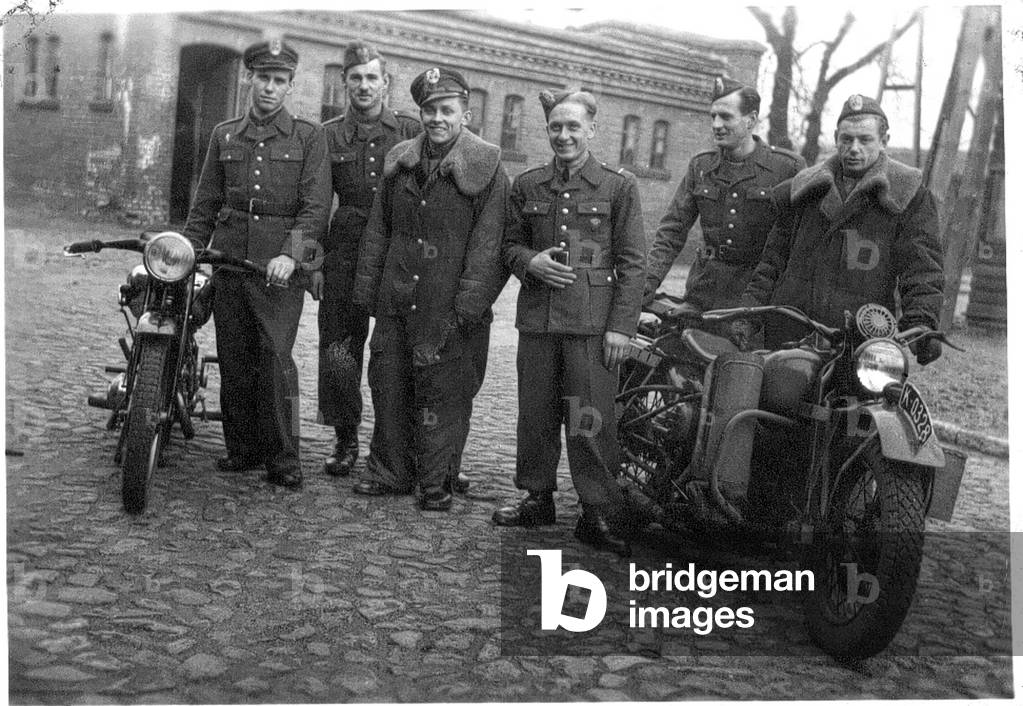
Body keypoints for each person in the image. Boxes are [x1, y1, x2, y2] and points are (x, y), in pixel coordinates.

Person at [492, 90, 646, 557]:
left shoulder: (618, 187)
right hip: (538, 320)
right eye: (556, 127)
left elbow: (634, 262)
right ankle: (537, 498)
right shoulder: (529, 184)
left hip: (591, 323)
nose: (564, 136)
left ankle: (596, 511)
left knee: (590, 417)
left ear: (592, 130)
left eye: (573, 127)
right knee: (535, 415)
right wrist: (529, 262)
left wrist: (621, 327)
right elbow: (508, 245)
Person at [352, 66, 507, 511]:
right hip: (398, 294)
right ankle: (390, 469)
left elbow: (488, 243)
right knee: (389, 380)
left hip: (449, 301)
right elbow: (380, 229)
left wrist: (469, 307)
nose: (437, 119)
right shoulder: (400, 160)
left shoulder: (488, 167)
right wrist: (368, 289)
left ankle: (437, 479)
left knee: (445, 389)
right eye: (429, 110)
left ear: (466, 113)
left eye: (446, 110)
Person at [183, 40, 331, 489]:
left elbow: (316, 208)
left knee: (275, 357)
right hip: (229, 261)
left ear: (290, 86)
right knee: (234, 355)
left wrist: (291, 254)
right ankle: (241, 449)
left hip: (277, 270)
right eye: (263, 78)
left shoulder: (308, 136)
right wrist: (186, 253)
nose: (269, 88)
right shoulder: (224, 134)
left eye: (279, 81)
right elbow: (205, 203)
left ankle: (284, 457)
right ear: (250, 79)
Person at [737, 93, 944, 364]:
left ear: (884, 141)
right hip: (789, 333)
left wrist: (922, 322)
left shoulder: (907, 194)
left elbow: (922, 270)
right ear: (836, 138)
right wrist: (748, 315)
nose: (854, 148)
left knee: (858, 407)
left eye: (865, 139)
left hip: (861, 341)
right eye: (846, 139)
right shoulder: (804, 189)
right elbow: (772, 263)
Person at [317, 42, 421, 478]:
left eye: (371, 77)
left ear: (386, 83)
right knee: (340, 345)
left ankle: (400, 440)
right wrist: (313, 263)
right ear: (345, 84)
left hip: (398, 251)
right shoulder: (326, 135)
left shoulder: (411, 131)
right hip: (346, 249)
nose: (364, 85)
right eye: (355, 78)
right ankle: (345, 436)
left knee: (398, 347)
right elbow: (317, 202)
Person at [644, 76, 804, 318]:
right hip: (703, 293)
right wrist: (645, 285)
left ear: (750, 120)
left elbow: (795, 245)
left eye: (726, 117)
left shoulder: (786, 168)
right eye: (713, 117)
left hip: (757, 300)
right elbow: (672, 231)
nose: (717, 124)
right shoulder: (702, 165)